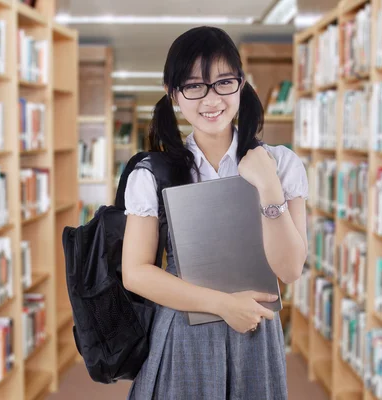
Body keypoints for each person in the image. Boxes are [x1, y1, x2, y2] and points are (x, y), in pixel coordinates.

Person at [121, 26, 309, 399]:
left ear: (241, 83)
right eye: (194, 86)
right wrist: (223, 305)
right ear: (173, 93)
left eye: (223, 82)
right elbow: (136, 272)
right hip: (183, 332)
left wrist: (268, 187)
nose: (211, 99)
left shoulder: (281, 163)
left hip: (256, 332)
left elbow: (289, 270)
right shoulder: (151, 172)